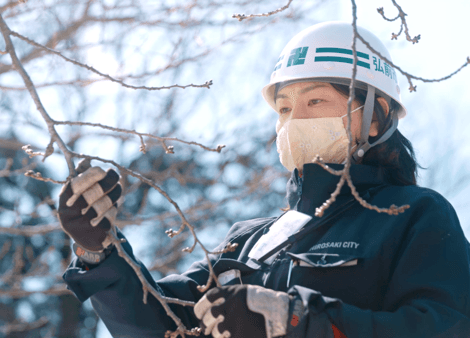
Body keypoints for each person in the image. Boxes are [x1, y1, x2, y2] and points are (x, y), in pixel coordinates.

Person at [60, 22, 470, 338]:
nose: (294, 122)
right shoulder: (250, 239)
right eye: (285, 108)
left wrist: (295, 321)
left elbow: (445, 327)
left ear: (375, 115)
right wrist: (100, 251)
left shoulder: (413, 216)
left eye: (315, 101)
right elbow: (165, 323)